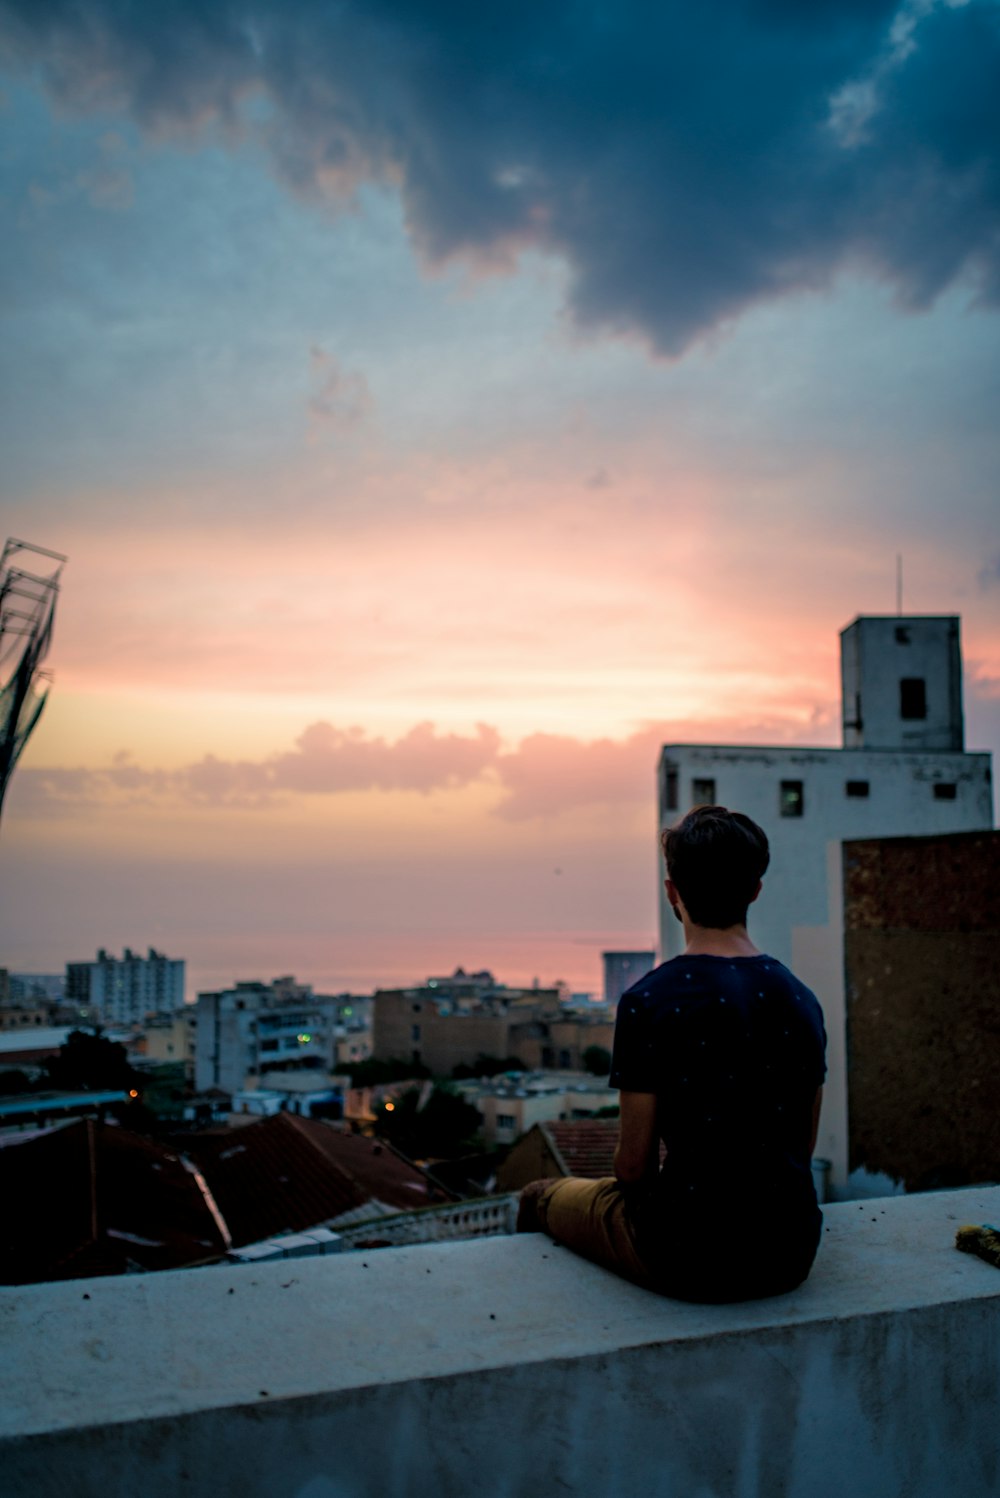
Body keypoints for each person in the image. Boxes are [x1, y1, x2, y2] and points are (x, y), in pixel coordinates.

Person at [517, 804, 827, 1302]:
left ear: (672, 893)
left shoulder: (650, 1000)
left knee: (539, 1198)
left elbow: (633, 1169)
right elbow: (802, 1148)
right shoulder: (801, 998)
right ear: (754, 890)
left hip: (688, 1255)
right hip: (790, 1252)